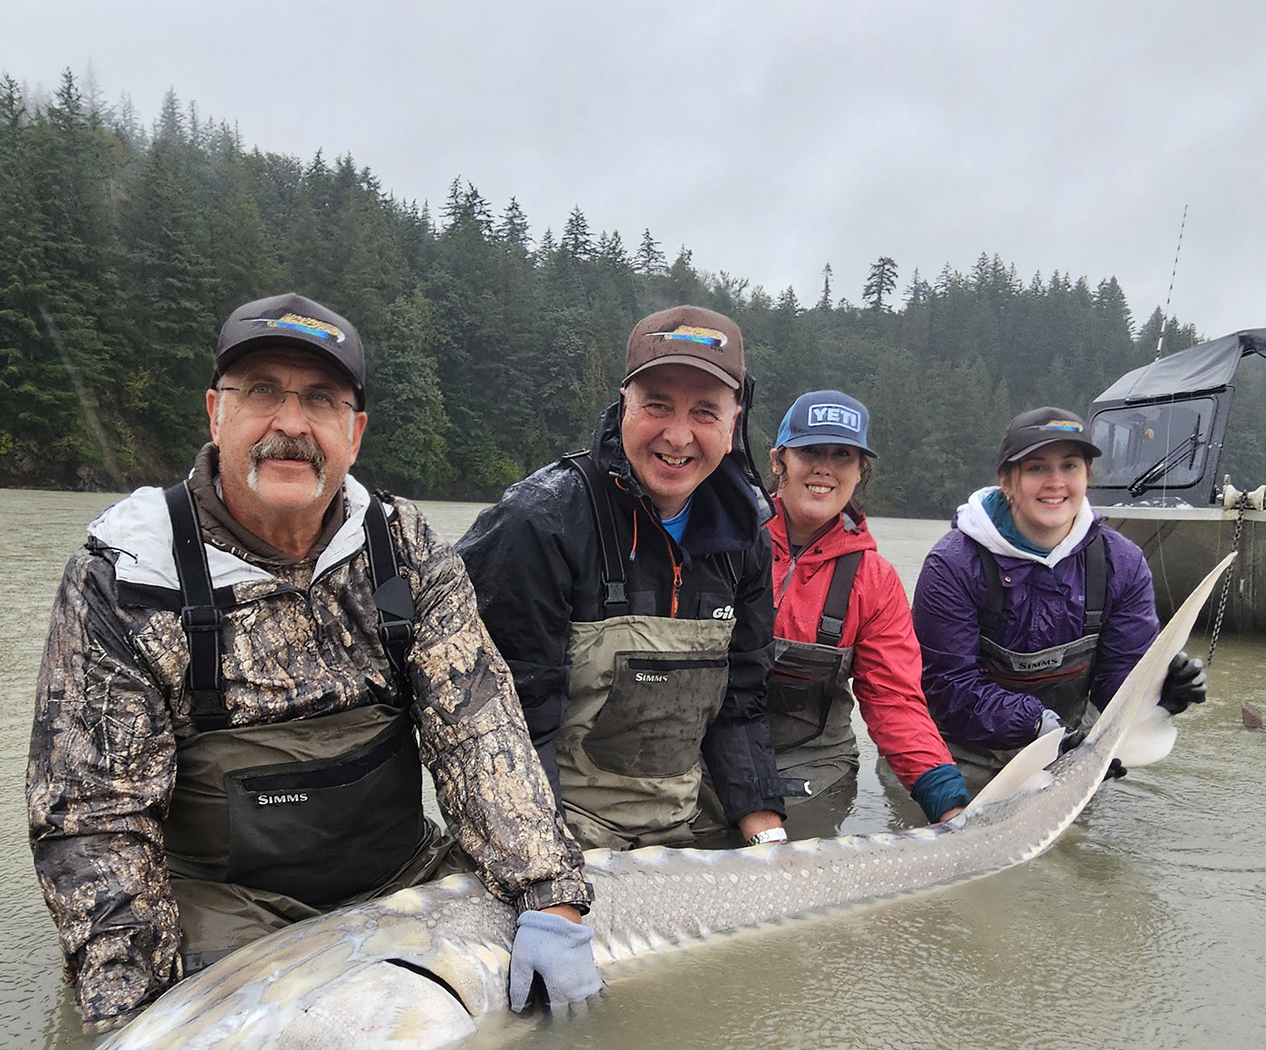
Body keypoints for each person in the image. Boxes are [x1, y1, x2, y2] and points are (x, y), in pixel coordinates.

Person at [27, 293, 600, 1034]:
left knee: (546, 994)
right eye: (262, 391)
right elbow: (95, 819)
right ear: (216, 413)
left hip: (398, 877)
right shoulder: (130, 578)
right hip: (224, 910)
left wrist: (549, 893)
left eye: (321, 400)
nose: (291, 424)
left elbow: (479, 734)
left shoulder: (404, 552)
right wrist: (134, 1022)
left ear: (353, 433)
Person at [456, 305, 786, 851]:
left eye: (705, 412)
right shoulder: (540, 523)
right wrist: (546, 878)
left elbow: (740, 703)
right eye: (657, 405)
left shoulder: (745, 533)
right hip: (558, 831)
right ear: (624, 404)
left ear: (734, 422)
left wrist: (768, 836)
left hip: (682, 827)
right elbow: (508, 729)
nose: (678, 436)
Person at [912, 406, 1206, 791]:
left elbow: (1116, 678)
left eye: (1070, 466)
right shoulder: (952, 565)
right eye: (1036, 468)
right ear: (1007, 481)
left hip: (1068, 750)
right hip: (962, 757)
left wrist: (1160, 695)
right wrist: (1040, 726)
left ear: (1087, 477)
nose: (1055, 482)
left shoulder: (1121, 563)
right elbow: (948, 686)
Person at [763, 390, 970, 829]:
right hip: (706, 757)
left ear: (861, 472)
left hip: (813, 771)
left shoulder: (875, 580)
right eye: (809, 450)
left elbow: (895, 701)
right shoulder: (723, 543)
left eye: (842, 454)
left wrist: (949, 803)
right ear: (779, 460)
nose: (824, 467)